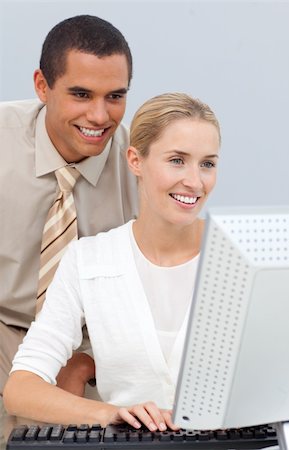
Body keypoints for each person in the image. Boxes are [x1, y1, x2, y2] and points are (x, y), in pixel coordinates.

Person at [3, 92, 221, 431]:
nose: (194, 181)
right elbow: (20, 390)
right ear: (135, 161)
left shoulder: (237, 254)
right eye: (177, 160)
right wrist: (109, 413)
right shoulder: (89, 260)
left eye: (207, 163)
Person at [0, 14, 138, 401]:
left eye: (115, 96)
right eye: (81, 94)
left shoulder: (144, 164)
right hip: (5, 328)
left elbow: (163, 298)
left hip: (95, 349)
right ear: (42, 86)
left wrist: (87, 361)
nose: (99, 116)